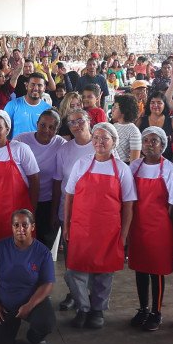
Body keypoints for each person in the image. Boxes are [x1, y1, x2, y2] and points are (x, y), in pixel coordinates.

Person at [62, 122, 136, 329]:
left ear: (114, 142)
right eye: (96, 138)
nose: (99, 142)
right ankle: (83, 307)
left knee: (103, 274)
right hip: (81, 228)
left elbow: (129, 206)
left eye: (105, 138)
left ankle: (97, 310)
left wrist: (123, 235)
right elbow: (69, 195)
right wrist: (66, 225)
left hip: (108, 231)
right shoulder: (82, 163)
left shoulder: (122, 169)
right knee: (75, 271)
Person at [128, 127, 173, 331]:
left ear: (163, 145)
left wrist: (167, 223)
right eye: (146, 141)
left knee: (156, 271)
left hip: (160, 227)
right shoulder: (134, 166)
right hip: (138, 225)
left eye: (154, 141)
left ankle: (156, 311)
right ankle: (143, 308)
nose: (149, 144)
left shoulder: (169, 169)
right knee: (140, 268)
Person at [0, 209, 55, 344]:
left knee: (47, 322)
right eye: (16, 225)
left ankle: (34, 337)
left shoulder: (43, 252)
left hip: (32, 302)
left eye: (25, 225)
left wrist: (29, 305)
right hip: (5, 304)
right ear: (12, 227)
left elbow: (48, 283)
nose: (20, 229)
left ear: (32, 227)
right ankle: (10, 328)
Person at [0, 110, 40, 244]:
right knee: (0, 251)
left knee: (23, 252)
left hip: (21, 214)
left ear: (7, 129)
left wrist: (31, 211)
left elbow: (35, 180)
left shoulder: (21, 149)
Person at [15, 109, 66, 249]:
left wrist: (54, 212)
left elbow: (58, 181)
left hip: (48, 202)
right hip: (23, 200)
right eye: (43, 125)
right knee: (22, 243)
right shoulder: (21, 140)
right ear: (36, 123)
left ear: (57, 129)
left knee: (43, 246)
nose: (46, 130)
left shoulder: (61, 144)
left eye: (52, 127)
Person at [4, 72, 52, 138]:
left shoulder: (48, 110)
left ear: (44, 88)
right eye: (32, 84)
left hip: (37, 148)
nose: (36, 88)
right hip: (16, 147)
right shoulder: (12, 105)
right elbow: (4, 131)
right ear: (26, 86)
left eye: (39, 85)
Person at [136, 92, 173, 161]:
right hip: (144, 162)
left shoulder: (171, 121)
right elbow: (134, 143)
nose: (155, 105)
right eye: (152, 102)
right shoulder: (141, 121)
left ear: (164, 105)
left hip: (166, 162)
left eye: (159, 103)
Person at [110, 94, 142, 163]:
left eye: (115, 107)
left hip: (124, 167)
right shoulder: (113, 127)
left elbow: (134, 161)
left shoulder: (134, 131)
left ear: (124, 110)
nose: (112, 110)